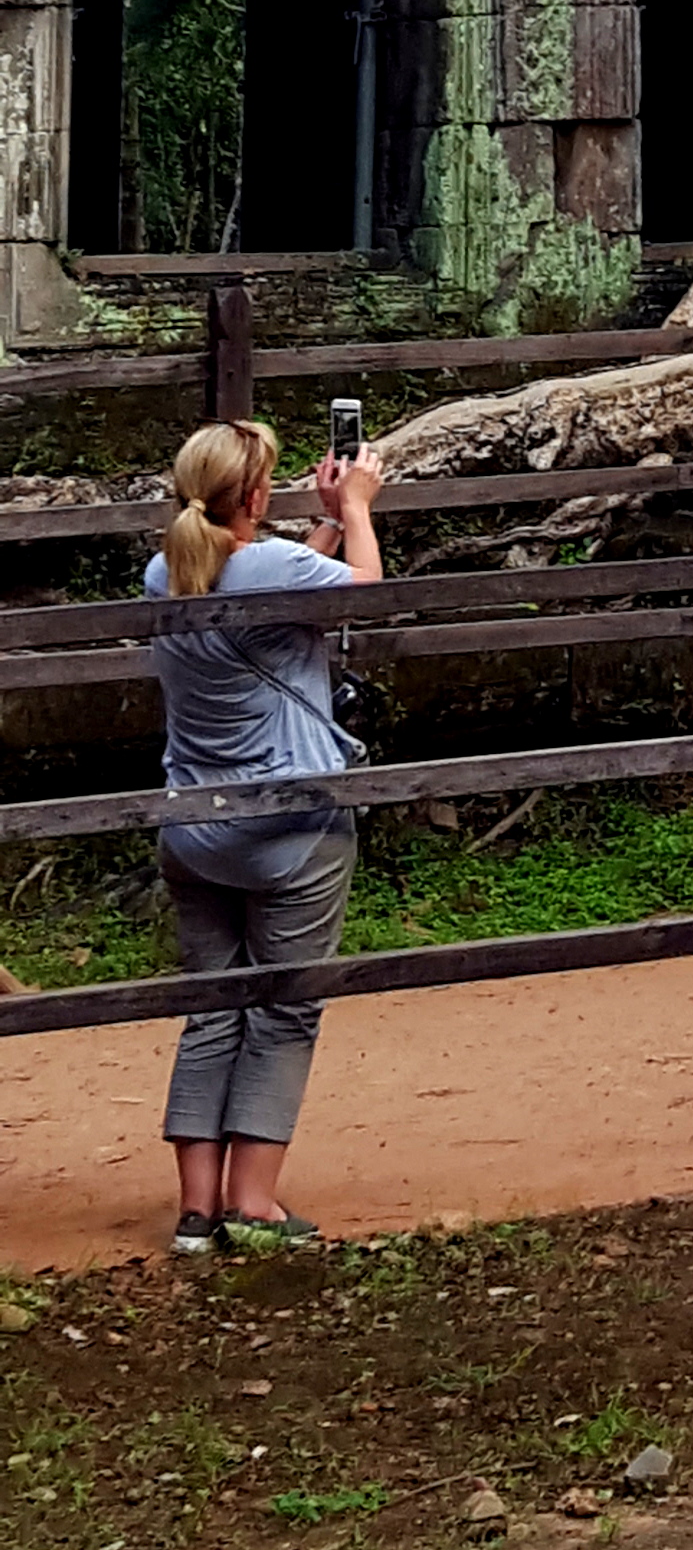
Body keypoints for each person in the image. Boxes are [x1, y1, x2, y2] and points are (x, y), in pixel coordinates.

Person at [140, 413, 386, 1256]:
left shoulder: (163, 570)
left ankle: (196, 1209)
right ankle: (255, 1201)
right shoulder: (273, 564)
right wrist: (355, 506)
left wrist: (315, 522)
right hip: (290, 830)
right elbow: (364, 590)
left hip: (195, 830)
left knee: (211, 1009)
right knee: (284, 1008)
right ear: (253, 495)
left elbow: (265, 590)